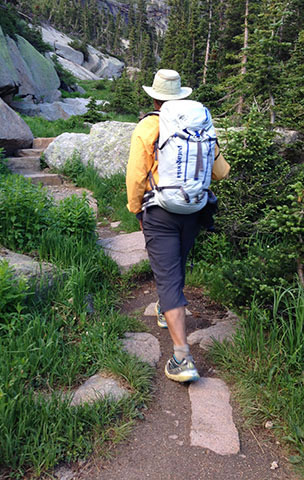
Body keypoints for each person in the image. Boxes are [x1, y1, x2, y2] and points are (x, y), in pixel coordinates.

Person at [126, 69, 229, 383]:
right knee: (176, 264)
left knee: (167, 277)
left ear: (155, 97)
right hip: (193, 208)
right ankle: (164, 308)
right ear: (180, 95)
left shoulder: (148, 126)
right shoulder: (199, 123)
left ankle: (182, 358)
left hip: (160, 212)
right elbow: (222, 171)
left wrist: (135, 210)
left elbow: (136, 176)